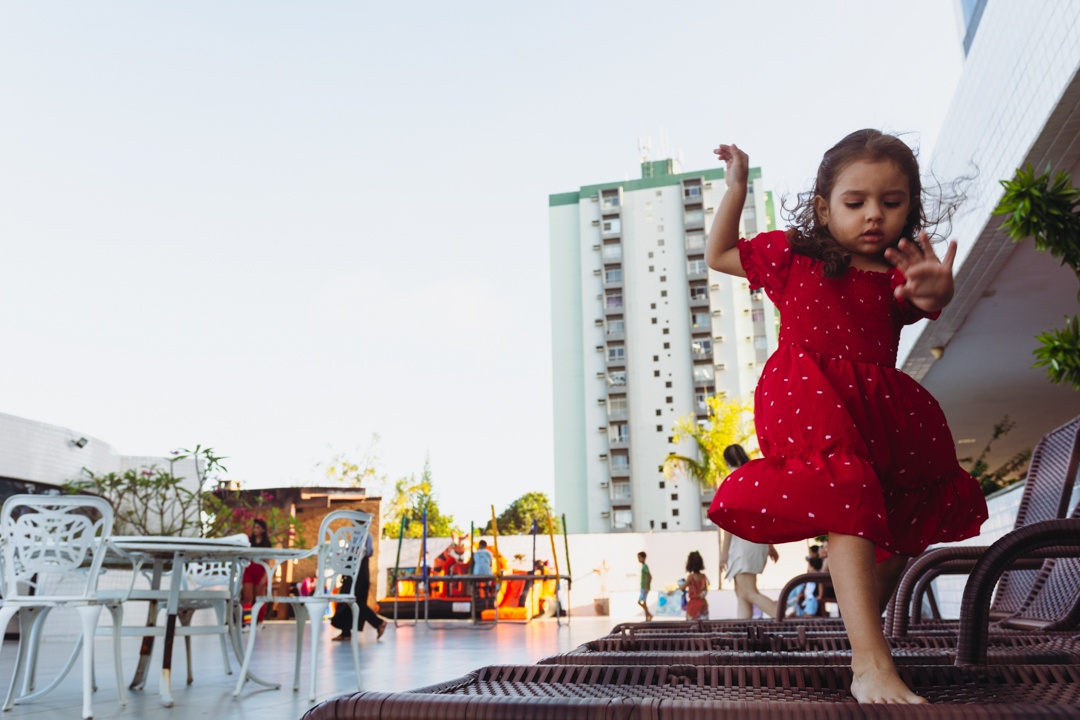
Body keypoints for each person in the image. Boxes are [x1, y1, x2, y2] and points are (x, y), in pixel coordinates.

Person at [704, 131, 988, 704]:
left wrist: (937, 292)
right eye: (855, 203)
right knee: (848, 487)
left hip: (880, 409)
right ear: (823, 208)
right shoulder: (794, 257)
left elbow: (923, 301)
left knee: (907, 514)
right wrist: (735, 188)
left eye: (892, 201)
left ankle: (860, 636)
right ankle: (870, 663)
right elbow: (719, 254)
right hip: (808, 391)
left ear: (911, 206)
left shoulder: (896, 274)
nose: (874, 216)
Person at [717, 444, 781, 619]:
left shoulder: (731, 481)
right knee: (743, 595)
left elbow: (729, 521)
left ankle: (786, 621)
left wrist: (723, 554)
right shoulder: (755, 478)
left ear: (726, 461)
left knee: (749, 593)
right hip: (755, 543)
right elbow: (762, 515)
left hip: (742, 545)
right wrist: (769, 545)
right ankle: (744, 637)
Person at [331, 529, 387, 641]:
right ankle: (346, 632)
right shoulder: (367, 534)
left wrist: (344, 556)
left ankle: (378, 623)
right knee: (349, 601)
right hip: (360, 569)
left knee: (353, 601)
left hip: (357, 570)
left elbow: (355, 552)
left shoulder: (359, 533)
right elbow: (369, 552)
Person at [241, 518, 272, 629]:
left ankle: (260, 622)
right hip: (249, 569)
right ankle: (248, 623)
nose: (255, 529)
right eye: (254, 527)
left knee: (260, 598)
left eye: (258, 527)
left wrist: (265, 576)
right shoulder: (249, 542)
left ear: (263, 530)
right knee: (247, 598)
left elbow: (268, 561)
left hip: (261, 570)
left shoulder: (267, 543)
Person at [678, 551, 709, 620]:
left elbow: (682, 587)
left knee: (692, 627)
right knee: (704, 626)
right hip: (703, 604)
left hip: (693, 605)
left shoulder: (690, 578)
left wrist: (672, 591)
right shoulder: (704, 577)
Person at [636, 551, 652, 621]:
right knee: (644, 602)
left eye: (639, 557)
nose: (638, 559)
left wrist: (646, 587)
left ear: (644, 558)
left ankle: (649, 614)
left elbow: (648, 577)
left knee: (640, 601)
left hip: (644, 588)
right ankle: (647, 616)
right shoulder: (644, 566)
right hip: (643, 587)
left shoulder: (645, 566)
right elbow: (651, 576)